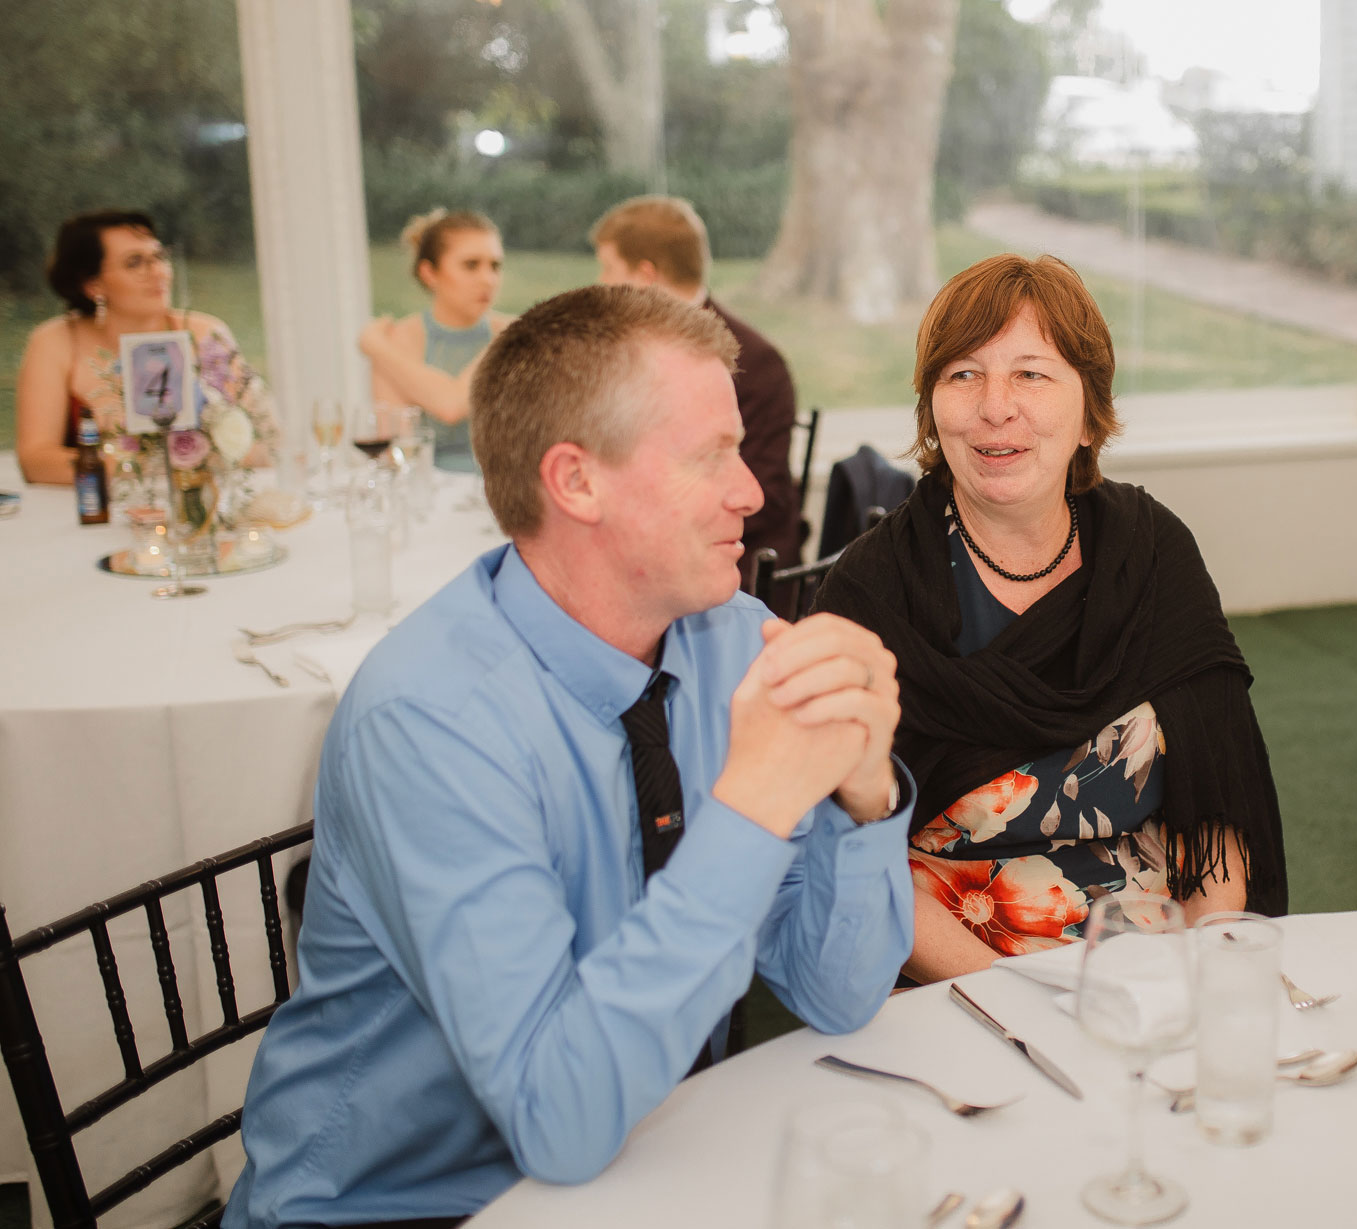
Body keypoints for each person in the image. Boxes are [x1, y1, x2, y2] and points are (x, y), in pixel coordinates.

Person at [224, 286, 914, 1229]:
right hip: (408, 1205)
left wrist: (863, 794)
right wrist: (753, 807)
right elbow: (560, 1121)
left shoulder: (730, 640)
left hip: (654, 1158)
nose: (752, 490)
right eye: (713, 454)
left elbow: (835, 994)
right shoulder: (431, 720)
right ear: (577, 482)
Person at [814, 254, 1287, 984]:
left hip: (1160, 968)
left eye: (1031, 374)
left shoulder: (1151, 549)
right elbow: (852, 853)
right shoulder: (876, 592)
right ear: (932, 409)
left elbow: (1213, 802)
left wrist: (1212, 973)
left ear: (1091, 412)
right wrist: (1018, 1010)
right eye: (963, 374)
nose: (995, 406)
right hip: (959, 980)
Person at [591, 195, 804, 582]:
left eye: (608, 269)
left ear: (644, 275)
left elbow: (764, 499)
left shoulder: (755, 364)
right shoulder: (620, 351)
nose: (602, 283)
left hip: (734, 566)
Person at [15, 210, 264, 484]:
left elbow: (266, 439)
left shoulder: (205, 333)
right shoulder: (56, 340)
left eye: (159, 257)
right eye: (135, 263)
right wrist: (146, 467)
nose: (158, 272)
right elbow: (35, 460)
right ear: (92, 284)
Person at [357, 209, 514, 472]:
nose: (488, 279)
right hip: (426, 490)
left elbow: (451, 405)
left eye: (495, 266)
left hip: (504, 487)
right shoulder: (400, 339)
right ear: (429, 273)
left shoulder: (511, 333)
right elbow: (396, 451)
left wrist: (374, 346)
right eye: (471, 265)